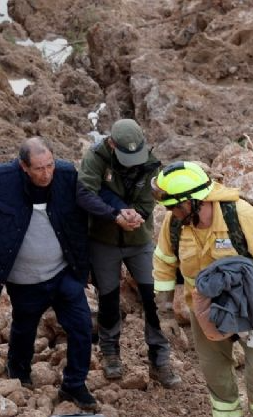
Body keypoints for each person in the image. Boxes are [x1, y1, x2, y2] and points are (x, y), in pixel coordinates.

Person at [0, 137, 104, 410]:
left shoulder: (67, 175)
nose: (46, 174)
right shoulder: (2, 179)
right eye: (39, 168)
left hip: (62, 271)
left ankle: (74, 385)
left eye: (50, 166)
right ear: (23, 166)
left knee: (81, 327)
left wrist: (116, 214)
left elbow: (94, 196)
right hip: (24, 279)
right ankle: (18, 372)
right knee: (24, 327)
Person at [151, 161, 253, 417]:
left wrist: (248, 289)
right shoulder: (174, 224)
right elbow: (164, 262)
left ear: (193, 201)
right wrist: (164, 310)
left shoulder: (242, 215)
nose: (171, 212)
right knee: (214, 371)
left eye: (174, 206)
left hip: (252, 301)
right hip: (204, 305)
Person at [78, 119, 180, 387]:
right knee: (109, 298)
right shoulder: (96, 157)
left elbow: (148, 200)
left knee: (153, 296)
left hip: (139, 239)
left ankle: (160, 359)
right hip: (104, 239)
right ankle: (110, 352)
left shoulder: (149, 161)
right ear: (112, 144)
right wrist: (114, 215)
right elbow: (85, 193)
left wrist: (137, 215)